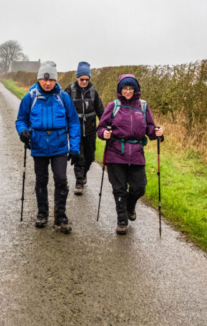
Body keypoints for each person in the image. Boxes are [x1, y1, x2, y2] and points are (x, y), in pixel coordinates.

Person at [16, 61, 81, 233]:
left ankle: (61, 216)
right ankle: (42, 213)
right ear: (38, 79)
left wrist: (74, 148)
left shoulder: (63, 97)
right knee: (41, 180)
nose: (47, 83)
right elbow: (20, 120)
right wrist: (22, 132)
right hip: (38, 146)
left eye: (51, 80)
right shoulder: (30, 97)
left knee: (61, 179)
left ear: (55, 80)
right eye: (44, 80)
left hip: (59, 146)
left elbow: (74, 123)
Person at [97, 74, 164, 235]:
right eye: (125, 88)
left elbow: (149, 127)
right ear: (120, 90)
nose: (128, 91)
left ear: (136, 90)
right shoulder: (113, 106)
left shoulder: (143, 106)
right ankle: (122, 220)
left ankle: (130, 206)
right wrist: (104, 133)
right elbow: (101, 128)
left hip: (136, 153)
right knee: (119, 188)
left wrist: (157, 132)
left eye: (131, 88)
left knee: (139, 188)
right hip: (115, 153)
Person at [64, 61, 104, 195]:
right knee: (79, 156)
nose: (85, 82)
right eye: (82, 79)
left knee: (90, 157)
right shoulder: (69, 91)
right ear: (77, 78)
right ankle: (79, 181)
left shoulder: (93, 92)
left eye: (87, 79)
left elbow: (101, 111)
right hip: (75, 131)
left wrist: (105, 125)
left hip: (91, 130)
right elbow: (62, 110)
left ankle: (84, 173)